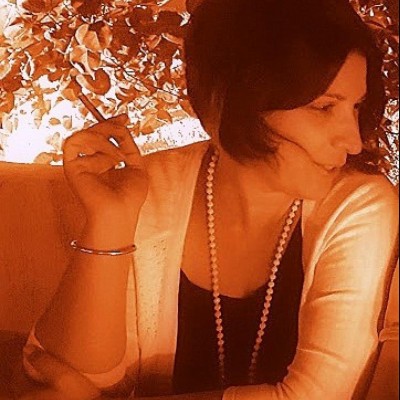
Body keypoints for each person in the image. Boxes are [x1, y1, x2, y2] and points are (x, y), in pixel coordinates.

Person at [18, 0, 398, 399]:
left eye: (356, 107)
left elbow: (314, 396)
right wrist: (110, 222)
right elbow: (55, 380)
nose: (353, 141)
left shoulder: (358, 205)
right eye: (324, 107)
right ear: (239, 97)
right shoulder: (151, 189)